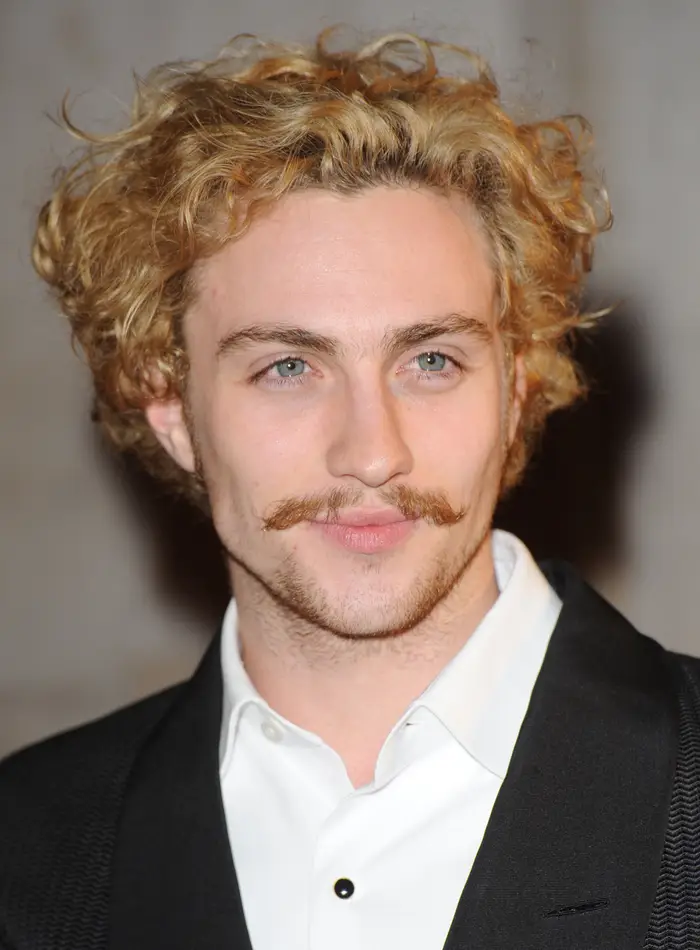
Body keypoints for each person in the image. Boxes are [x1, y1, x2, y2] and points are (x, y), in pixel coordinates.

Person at [0, 26, 698, 950]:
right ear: (170, 407)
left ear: (516, 385)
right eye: (290, 367)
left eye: (432, 359)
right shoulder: (27, 846)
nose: (373, 453)